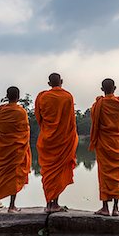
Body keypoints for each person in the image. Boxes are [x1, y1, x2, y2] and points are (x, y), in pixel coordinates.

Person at [35, 73, 79, 213]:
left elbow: (39, 117)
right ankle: (55, 203)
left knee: (48, 172)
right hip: (63, 140)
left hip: (47, 140)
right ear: (61, 81)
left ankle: (49, 203)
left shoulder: (42, 97)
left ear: (49, 83)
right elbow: (71, 121)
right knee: (58, 172)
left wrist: (48, 129)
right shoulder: (68, 97)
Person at [89, 78, 119, 216]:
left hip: (104, 143)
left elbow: (94, 120)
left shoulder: (98, 104)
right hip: (118, 143)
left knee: (104, 175)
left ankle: (105, 207)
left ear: (102, 89)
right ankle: (116, 208)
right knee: (117, 174)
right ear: (115, 88)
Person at [0, 86, 31, 214]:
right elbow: (25, 131)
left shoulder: (0, 110)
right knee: (15, 174)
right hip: (16, 149)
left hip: (2, 149)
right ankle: (11, 206)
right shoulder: (21, 112)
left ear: (7, 96)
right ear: (18, 97)